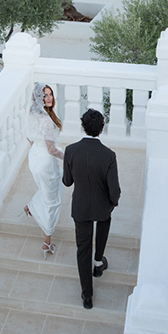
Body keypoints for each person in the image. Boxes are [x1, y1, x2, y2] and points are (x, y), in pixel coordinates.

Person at [62, 108, 121, 309]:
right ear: (101, 129)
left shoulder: (70, 151)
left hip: (81, 207)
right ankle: (98, 263)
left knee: (82, 249)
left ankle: (87, 296)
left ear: (83, 126)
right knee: (104, 222)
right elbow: (114, 190)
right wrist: (113, 203)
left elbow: (67, 182)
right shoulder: (109, 155)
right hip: (102, 206)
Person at [23, 83, 64, 258]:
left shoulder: (33, 113)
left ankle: (29, 207)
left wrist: (37, 148)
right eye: (45, 95)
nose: (49, 98)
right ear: (38, 98)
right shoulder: (47, 121)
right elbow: (52, 150)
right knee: (52, 200)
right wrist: (68, 158)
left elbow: (29, 137)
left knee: (49, 187)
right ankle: (47, 242)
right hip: (46, 163)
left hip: (35, 157)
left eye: (50, 94)